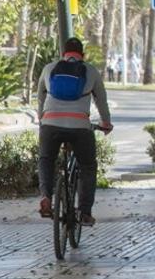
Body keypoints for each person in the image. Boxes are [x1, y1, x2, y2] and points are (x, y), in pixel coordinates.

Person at [37, 38, 113, 226]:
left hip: (50, 125)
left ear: (63, 54)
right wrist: (106, 123)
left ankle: (46, 197)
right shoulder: (91, 71)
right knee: (88, 166)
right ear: (82, 55)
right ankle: (85, 212)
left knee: (46, 159)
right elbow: (101, 101)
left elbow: (40, 97)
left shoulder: (49, 69)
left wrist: (42, 119)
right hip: (80, 127)